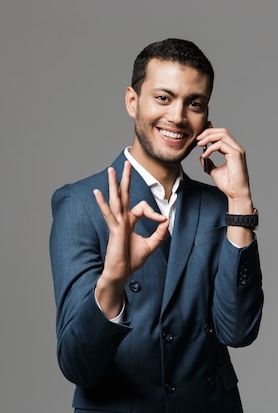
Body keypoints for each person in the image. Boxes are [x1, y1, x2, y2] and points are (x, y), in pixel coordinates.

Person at [50, 38, 263, 413]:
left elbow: (238, 330)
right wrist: (114, 280)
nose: (178, 117)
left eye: (193, 103)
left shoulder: (219, 207)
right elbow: (77, 363)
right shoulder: (81, 204)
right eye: (163, 98)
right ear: (132, 101)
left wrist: (240, 204)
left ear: (206, 117)